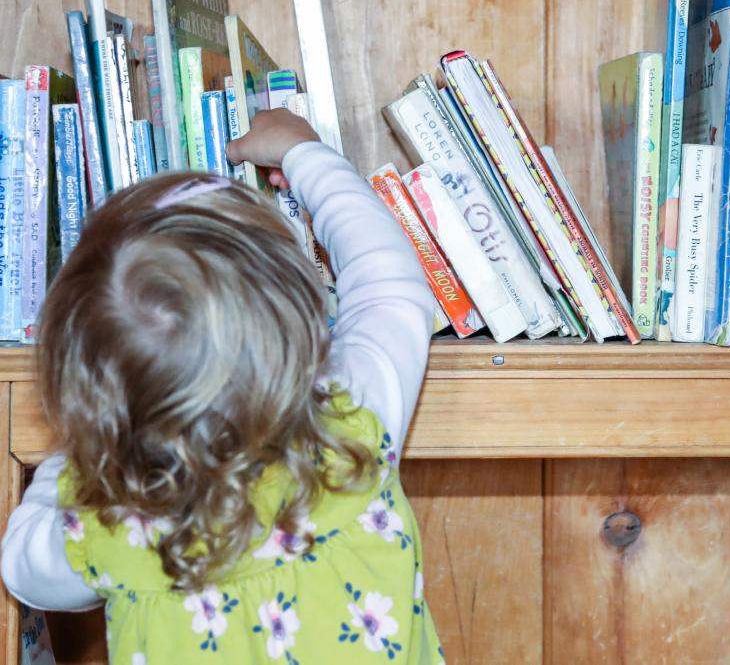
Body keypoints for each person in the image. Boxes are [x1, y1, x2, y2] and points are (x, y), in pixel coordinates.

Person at [1, 108, 444, 664]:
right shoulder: (353, 426)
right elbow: (389, 283)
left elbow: (22, 570)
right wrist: (304, 153)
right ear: (293, 319)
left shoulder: (110, 524)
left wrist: (75, 460)